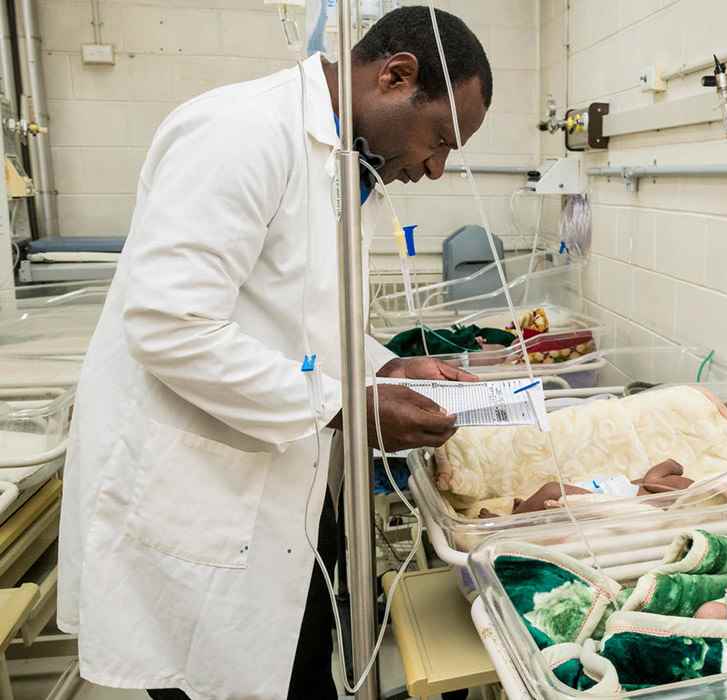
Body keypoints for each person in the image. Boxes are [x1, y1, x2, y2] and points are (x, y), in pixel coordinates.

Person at [56, 7, 492, 700]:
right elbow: (171, 325)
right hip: (197, 495)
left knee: (298, 662)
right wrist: (348, 406)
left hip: (280, 481)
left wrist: (386, 366)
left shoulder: (346, 168)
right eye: (440, 138)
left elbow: (300, 318)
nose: (437, 168)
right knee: (218, 677)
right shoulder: (241, 133)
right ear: (395, 75)